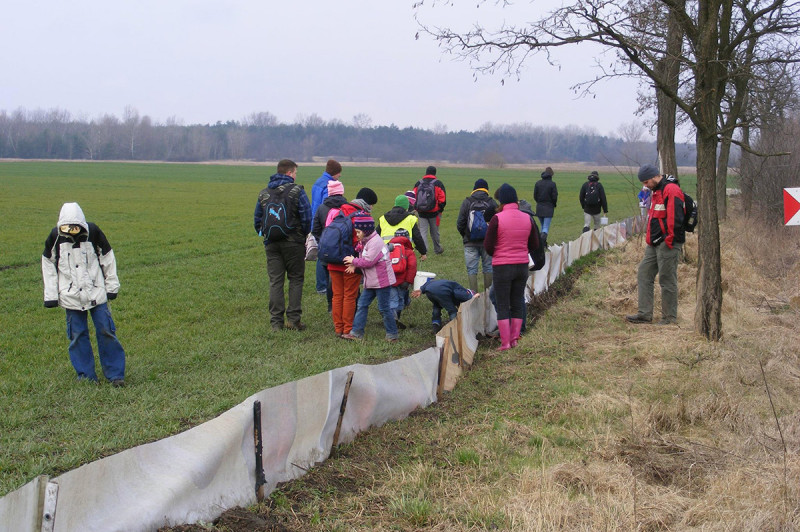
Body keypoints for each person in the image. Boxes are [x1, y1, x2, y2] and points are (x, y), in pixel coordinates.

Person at [41, 202, 126, 386]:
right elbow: (48, 265)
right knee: (77, 335)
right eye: (67, 227)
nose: (71, 230)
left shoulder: (93, 232)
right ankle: (86, 377)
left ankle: (116, 374)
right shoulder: (55, 237)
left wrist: (112, 286)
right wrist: (50, 296)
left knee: (106, 330)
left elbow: (107, 258)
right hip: (70, 297)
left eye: (75, 226)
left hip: (97, 293)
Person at [254, 159, 312, 331]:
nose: (295, 176)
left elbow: (257, 220)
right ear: (289, 173)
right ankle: (293, 321)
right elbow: (307, 217)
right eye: (295, 173)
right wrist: (303, 235)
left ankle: (276, 323)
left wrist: (265, 234)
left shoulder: (264, 193)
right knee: (295, 279)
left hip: (271, 244)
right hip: (294, 243)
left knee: (275, 282)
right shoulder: (297, 191)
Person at [626, 164, 687, 326]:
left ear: (654, 177)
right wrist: (650, 239)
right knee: (644, 273)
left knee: (667, 280)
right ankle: (644, 314)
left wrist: (669, 240)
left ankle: (669, 318)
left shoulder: (671, 190)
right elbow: (654, 217)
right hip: (654, 242)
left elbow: (676, 218)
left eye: (646, 182)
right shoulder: (655, 191)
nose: (644, 186)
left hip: (668, 243)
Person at [484, 183, 540, 351]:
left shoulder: (497, 218)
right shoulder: (527, 218)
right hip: (522, 266)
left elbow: (488, 245)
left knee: (502, 304)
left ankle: (505, 343)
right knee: (517, 301)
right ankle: (515, 339)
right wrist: (521, 251)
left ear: (501, 201)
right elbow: (535, 243)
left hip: (502, 267)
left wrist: (500, 253)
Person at [327, 187, 379, 337]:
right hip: (351, 262)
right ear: (367, 203)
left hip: (333, 259)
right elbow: (364, 242)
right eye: (372, 205)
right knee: (350, 295)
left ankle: (338, 328)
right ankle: (347, 329)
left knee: (337, 296)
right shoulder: (362, 216)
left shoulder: (337, 211)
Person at [342, 214, 399, 342]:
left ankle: (392, 334)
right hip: (371, 281)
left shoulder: (375, 242)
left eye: (358, 232)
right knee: (362, 305)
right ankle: (356, 333)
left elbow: (368, 261)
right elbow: (364, 260)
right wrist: (354, 265)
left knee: (384, 308)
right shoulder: (366, 241)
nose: (356, 234)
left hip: (381, 281)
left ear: (366, 230)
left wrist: (353, 260)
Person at [311, 180, 349, 312]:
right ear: (341, 191)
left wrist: (322, 241)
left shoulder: (321, 208)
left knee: (329, 279)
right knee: (343, 280)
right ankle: (344, 305)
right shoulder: (347, 207)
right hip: (343, 250)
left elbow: (315, 229)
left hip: (326, 249)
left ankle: (330, 306)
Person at [456, 178, 498, 293]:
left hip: (470, 242)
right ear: (486, 189)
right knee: (488, 267)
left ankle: (474, 295)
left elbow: (460, 223)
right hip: (487, 243)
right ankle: (488, 295)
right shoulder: (492, 202)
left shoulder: (467, 202)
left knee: (471, 270)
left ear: (474, 189)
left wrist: (466, 236)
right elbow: (498, 222)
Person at [310, 159, 342, 295]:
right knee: (326, 254)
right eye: (339, 173)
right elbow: (328, 205)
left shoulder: (317, 182)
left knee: (320, 253)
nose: (340, 176)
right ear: (335, 173)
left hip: (315, 219)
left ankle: (321, 285)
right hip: (326, 222)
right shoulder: (330, 185)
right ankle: (324, 285)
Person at [411, 279, 480, 333]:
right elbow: (464, 296)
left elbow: (428, 283)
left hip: (429, 291)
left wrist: (421, 290)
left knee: (437, 305)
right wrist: (474, 296)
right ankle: (455, 327)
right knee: (452, 310)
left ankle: (436, 323)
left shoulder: (452, 285)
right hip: (442, 291)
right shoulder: (462, 291)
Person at [377, 194, 428, 259]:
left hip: (387, 252)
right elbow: (417, 238)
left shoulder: (383, 218)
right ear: (407, 207)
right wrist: (423, 252)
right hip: (405, 252)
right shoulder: (410, 218)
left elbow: (375, 236)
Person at [386, 228, 418, 329]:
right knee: (400, 299)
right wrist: (408, 281)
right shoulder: (409, 251)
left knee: (392, 299)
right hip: (403, 281)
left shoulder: (388, 249)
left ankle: (393, 316)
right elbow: (412, 267)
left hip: (390, 280)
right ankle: (396, 317)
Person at [413, 166, 447, 255]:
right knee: (435, 232)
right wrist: (439, 209)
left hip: (421, 212)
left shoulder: (418, 183)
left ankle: (424, 251)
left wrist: (416, 208)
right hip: (434, 213)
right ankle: (437, 249)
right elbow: (442, 199)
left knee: (422, 232)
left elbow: (414, 197)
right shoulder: (438, 183)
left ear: (426, 172)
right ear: (435, 173)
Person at [533, 166, 557, 247]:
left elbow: (535, 196)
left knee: (542, 226)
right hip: (549, 208)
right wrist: (553, 204)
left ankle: (543, 243)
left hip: (539, 207)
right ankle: (541, 243)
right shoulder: (552, 184)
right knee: (545, 228)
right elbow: (554, 197)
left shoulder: (538, 183)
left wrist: (539, 202)